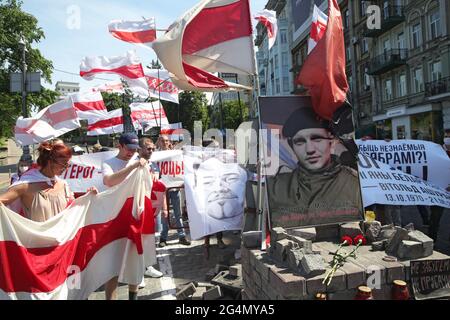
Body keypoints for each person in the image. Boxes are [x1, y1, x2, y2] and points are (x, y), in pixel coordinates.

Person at [266, 107, 362, 228]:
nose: (310, 149)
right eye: (300, 142)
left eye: (317, 139)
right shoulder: (275, 188)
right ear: (292, 146)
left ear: (331, 141)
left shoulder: (354, 184)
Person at [101, 132, 148, 300]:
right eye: (129, 149)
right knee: (112, 266)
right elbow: (109, 181)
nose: (132, 153)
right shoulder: (109, 163)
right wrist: (133, 166)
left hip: (134, 217)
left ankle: (133, 297)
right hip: (114, 219)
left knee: (134, 260)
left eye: (135, 149)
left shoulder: (139, 161)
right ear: (119, 146)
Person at [0, 141, 82, 222]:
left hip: (63, 235)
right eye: (64, 164)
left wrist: (89, 196)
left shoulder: (63, 184)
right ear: (50, 162)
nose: (66, 168)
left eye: (68, 165)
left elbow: (73, 209)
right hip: (36, 235)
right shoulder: (26, 185)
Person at [137, 137, 165, 279]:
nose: (151, 151)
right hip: (137, 208)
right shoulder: (134, 164)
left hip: (151, 207)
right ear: (140, 149)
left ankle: (147, 267)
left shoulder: (153, 165)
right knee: (138, 240)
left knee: (149, 239)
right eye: (148, 149)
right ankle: (138, 273)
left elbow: (158, 188)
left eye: (153, 148)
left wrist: (163, 207)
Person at [156, 134, 190, 247]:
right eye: (162, 141)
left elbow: (182, 167)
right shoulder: (156, 155)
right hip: (162, 189)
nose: (164, 143)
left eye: (166, 141)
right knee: (164, 214)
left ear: (169, 142)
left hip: (174, 188)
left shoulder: (176, 154)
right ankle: (163, 237)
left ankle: (181, 236)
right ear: (159, 142)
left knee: (177, 213)